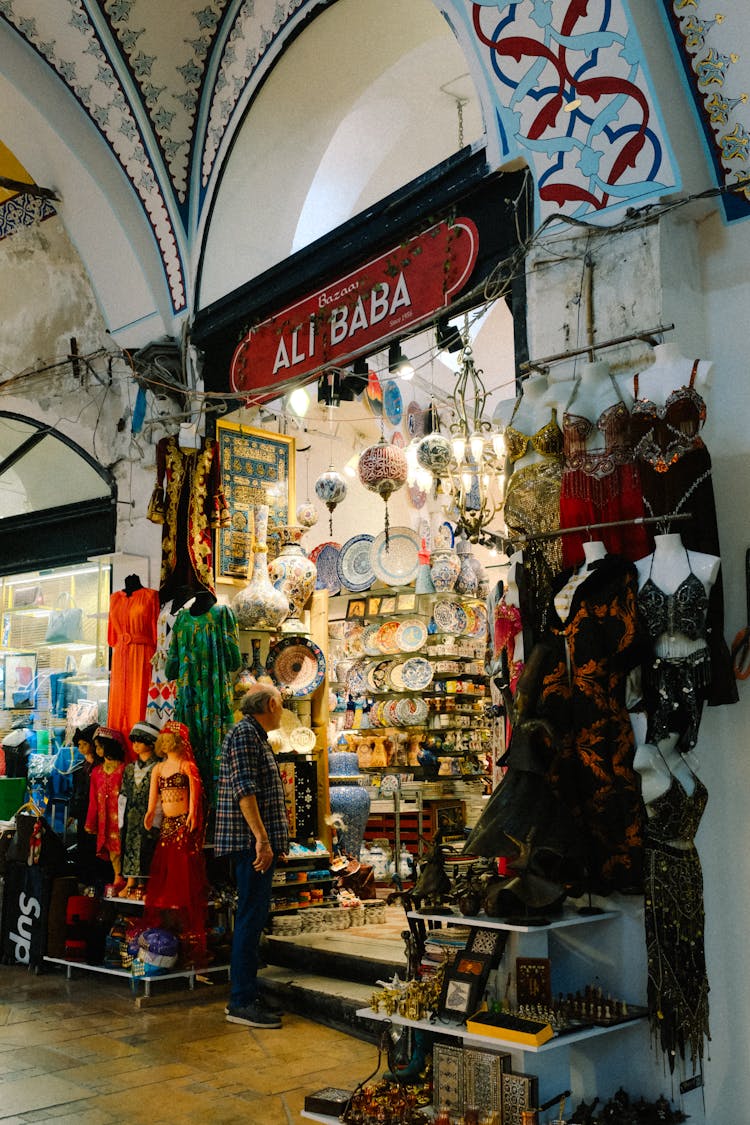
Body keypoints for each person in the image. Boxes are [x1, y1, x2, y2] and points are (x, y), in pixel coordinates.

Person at [214, 683, 289, 1029]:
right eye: (281, 704)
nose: (282, 710)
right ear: (271, 703)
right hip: (249, 844)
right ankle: (241, 1000)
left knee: (253, 918)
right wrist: (262, 839)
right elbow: (246, 790)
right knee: (248, 919)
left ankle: (248, 993)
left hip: (254, 843)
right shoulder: (245, 735)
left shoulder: (253, 735)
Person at [143, 721, 208, 966]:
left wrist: (192, 814)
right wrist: (150, 813)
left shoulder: (186, 766)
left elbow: (195, 796)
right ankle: (171, 906)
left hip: (182, 823)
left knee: (181, 862)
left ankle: (182, 907)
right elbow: (154, 799)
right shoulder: (158, 769)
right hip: (168, 823)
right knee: (166, 862)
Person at [120, 721, 161, 898]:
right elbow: (123, 794)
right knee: (129, 846)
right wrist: (121, 818)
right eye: (133, 741)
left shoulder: (158, 767)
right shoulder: (129, 768)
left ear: (151, 743)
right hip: (131, 814)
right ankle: (130, 881)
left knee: (147, 847)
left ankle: (144, 883)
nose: (135, 745)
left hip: (149, 813)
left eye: (140, 741)